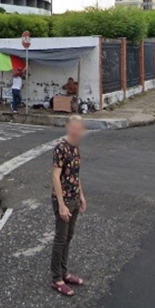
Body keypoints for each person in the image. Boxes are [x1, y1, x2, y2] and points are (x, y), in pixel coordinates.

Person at [50, 115, 87, 297]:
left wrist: (81, 195)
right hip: (62, 200)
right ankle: (56, 278)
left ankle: (64, 273)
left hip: (74, 197)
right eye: (75, 126)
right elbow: (56, 176)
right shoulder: (61, 148)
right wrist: (62, 205)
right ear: (69, 127)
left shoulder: (76, 147)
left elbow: (76, 174)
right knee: (60, 238)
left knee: (69, 236)